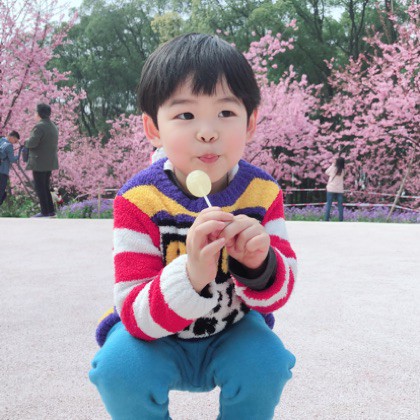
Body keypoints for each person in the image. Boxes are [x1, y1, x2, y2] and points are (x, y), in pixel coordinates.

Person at [89, 33, 297, 420]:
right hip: (154, 337)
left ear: (251, 122)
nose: (207, 131)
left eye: (226, 113)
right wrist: (192, 275)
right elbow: (132, 311)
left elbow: (278, 295)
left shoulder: (263, 193)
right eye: (185, 115)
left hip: (233, 332)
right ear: (153, 128)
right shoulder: (138, 199)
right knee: (118, 369)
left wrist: (260, 265)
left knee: (267, 363)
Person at [25, 103, 59, 218]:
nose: (34, 114)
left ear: (39, 113)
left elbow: (32, 143)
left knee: (40, 187)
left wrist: (26, 141)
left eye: (35, 112)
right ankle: (50, 211)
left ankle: (44, 212)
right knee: (45, 186)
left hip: (39, 161)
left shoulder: (39, 127)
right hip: (49, 162)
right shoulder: (53, 126)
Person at [0, 131, 21, 206]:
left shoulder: (1, 140)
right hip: (3, 171)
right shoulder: (9, 145)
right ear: (12, 137)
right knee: (1, 191)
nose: (14, 143)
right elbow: (12, 160)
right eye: (15, 141)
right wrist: (19, 154)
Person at [324, 157, 345, 221]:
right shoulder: (343, 171)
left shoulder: (333, 168)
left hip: (331, 188)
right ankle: (341, 220)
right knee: (340, 206)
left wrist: (333, 164)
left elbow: (326, 172)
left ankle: (326, 219)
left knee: (329, 204)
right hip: (339, 190)